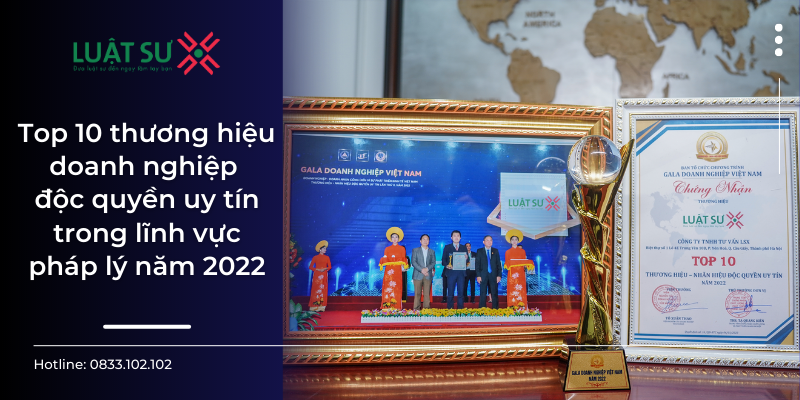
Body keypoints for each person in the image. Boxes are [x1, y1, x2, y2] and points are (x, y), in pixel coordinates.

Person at [380, 227, 408, 309]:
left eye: (396, 237)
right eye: (393, 237)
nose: (394, 239)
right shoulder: (387, 249)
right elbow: (385, 259)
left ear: (399, 238)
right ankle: (386, 306)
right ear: (390, 239)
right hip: (388, 271)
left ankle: (396, 306)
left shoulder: (402, 249)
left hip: (397, 271)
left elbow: (403, 260)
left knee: (397, 287)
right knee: (388, 287)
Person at [504, 229, 533, 308]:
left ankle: (521, 306)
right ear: (510, 241)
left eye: (516, 239)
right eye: (512, 239)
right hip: (512, 273)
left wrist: (526, 265)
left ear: (518, 241)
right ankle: (512, 305)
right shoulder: (507, 252)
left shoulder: (522, 251)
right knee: (512, 288)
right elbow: (507, 264)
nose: (514, 241)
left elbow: (524, 262)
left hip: (520, 273)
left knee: (521, 288)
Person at [441, 230, 469, 309]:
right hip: (451, 273)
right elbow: (443, 260)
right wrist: (447, 265)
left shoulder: (464, 247)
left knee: (461, 293)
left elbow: (467, 260)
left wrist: (467, 258)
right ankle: (450, 310)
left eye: (458, 236)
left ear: (460, 238)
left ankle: (460, 310)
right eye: (454, 236)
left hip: (461, 273)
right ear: (451, 237)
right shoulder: (447, 247)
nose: (456, 237)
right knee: (450, 293)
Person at [411, 234, 437, 310]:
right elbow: (414, 262)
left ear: (429, 241)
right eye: (424, 239)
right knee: (417, 294)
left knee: (426, 294)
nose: (425, 241)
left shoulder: (432, 251)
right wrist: (422, 270)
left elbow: (433, 262)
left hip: (428, 275)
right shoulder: (415, 250)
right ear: (420, 241)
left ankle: (426, 311)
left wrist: (427, 269)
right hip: (417, 275)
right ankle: (416, 310)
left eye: (427, 239)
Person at [475, 235, 502, 309]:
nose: (489, 242)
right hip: (483, 275)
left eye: (491, 240)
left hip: (493, 275)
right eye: (487, 240)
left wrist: (499, 275)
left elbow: (498, 264)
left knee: (494, 293)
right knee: (482, 293)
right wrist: (478, 276)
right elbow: (477, 265)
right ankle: (482, 309)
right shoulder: (479, 251)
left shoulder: (495, 251)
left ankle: (495, 309)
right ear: (483, 242)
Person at [308, 240, 331, 312]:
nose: (325, 250)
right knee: (315, 290)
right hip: (317, 275)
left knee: (323, 289)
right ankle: (314, 307)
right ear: (320, 249)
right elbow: (310, 267)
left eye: (325, 248)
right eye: (324, 248)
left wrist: (325, 268)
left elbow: (329, 267)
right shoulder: (315, 257)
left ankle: (322, 307)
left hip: (324, 275)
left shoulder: (327, 257)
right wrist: (317, 269)